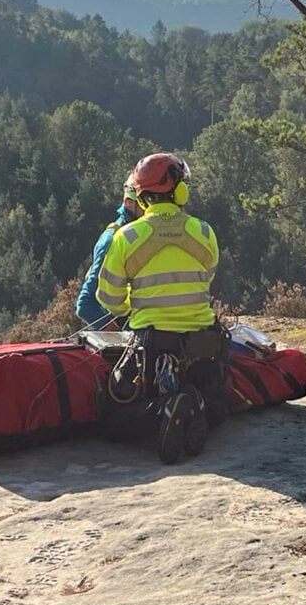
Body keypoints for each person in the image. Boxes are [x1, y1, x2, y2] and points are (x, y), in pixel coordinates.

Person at [95, 153, 230, 464]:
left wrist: (134, 305)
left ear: (141, 199)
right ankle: (196, 404)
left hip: (154, 347)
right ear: (180, 192)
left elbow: (108, 298)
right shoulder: (204, 232)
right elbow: (206, 276)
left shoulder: (126, 237)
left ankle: (164, 409)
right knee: (218, 410)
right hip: (205, 344)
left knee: (113, 423)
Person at [75, 173, 143, 330]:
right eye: (145, 204)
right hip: (132, 343)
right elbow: (86, 305)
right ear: (128, 203)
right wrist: (121, 341)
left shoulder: (147, 236)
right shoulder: (112, 239)